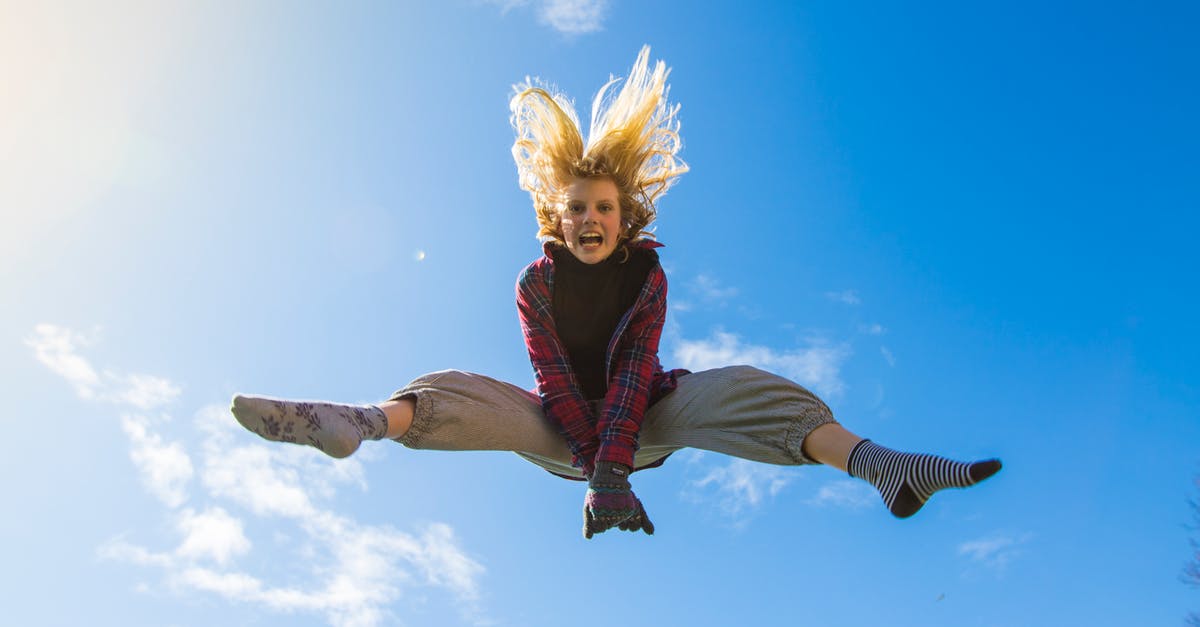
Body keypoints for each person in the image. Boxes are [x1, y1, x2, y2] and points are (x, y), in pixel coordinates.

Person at [231, 46, 1001, 539]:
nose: (591, 219)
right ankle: (359, 420)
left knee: (737, 387)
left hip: (644, 428)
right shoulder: (536, 284)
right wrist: (592, 465)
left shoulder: (645, 277)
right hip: (562, 432)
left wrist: (615, 473)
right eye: (577, 209)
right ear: (554, 218)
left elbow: (634, 375)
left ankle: (881, 466)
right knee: (464, 389)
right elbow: (555, 381)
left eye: (604, 208)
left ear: (624, 216)